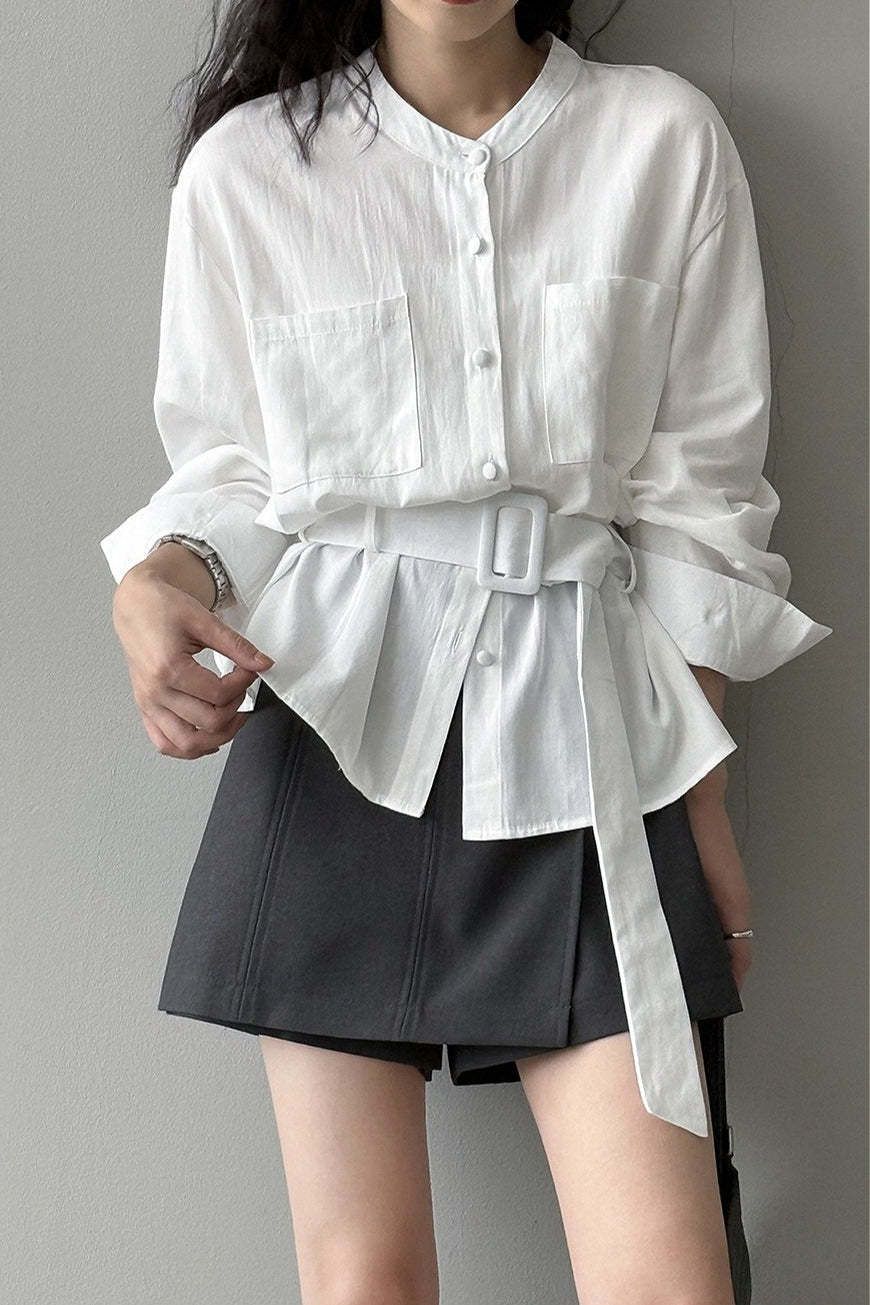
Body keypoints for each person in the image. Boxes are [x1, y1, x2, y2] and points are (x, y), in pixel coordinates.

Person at [100, 2, 832, 1302]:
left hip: (591, 749)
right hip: (334, 739)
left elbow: (701, 503)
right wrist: (158, 580)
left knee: (669, 1282)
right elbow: (230, 476)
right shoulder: (250, 166)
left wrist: (703, 801)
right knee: (363, 1280)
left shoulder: (659, 137)